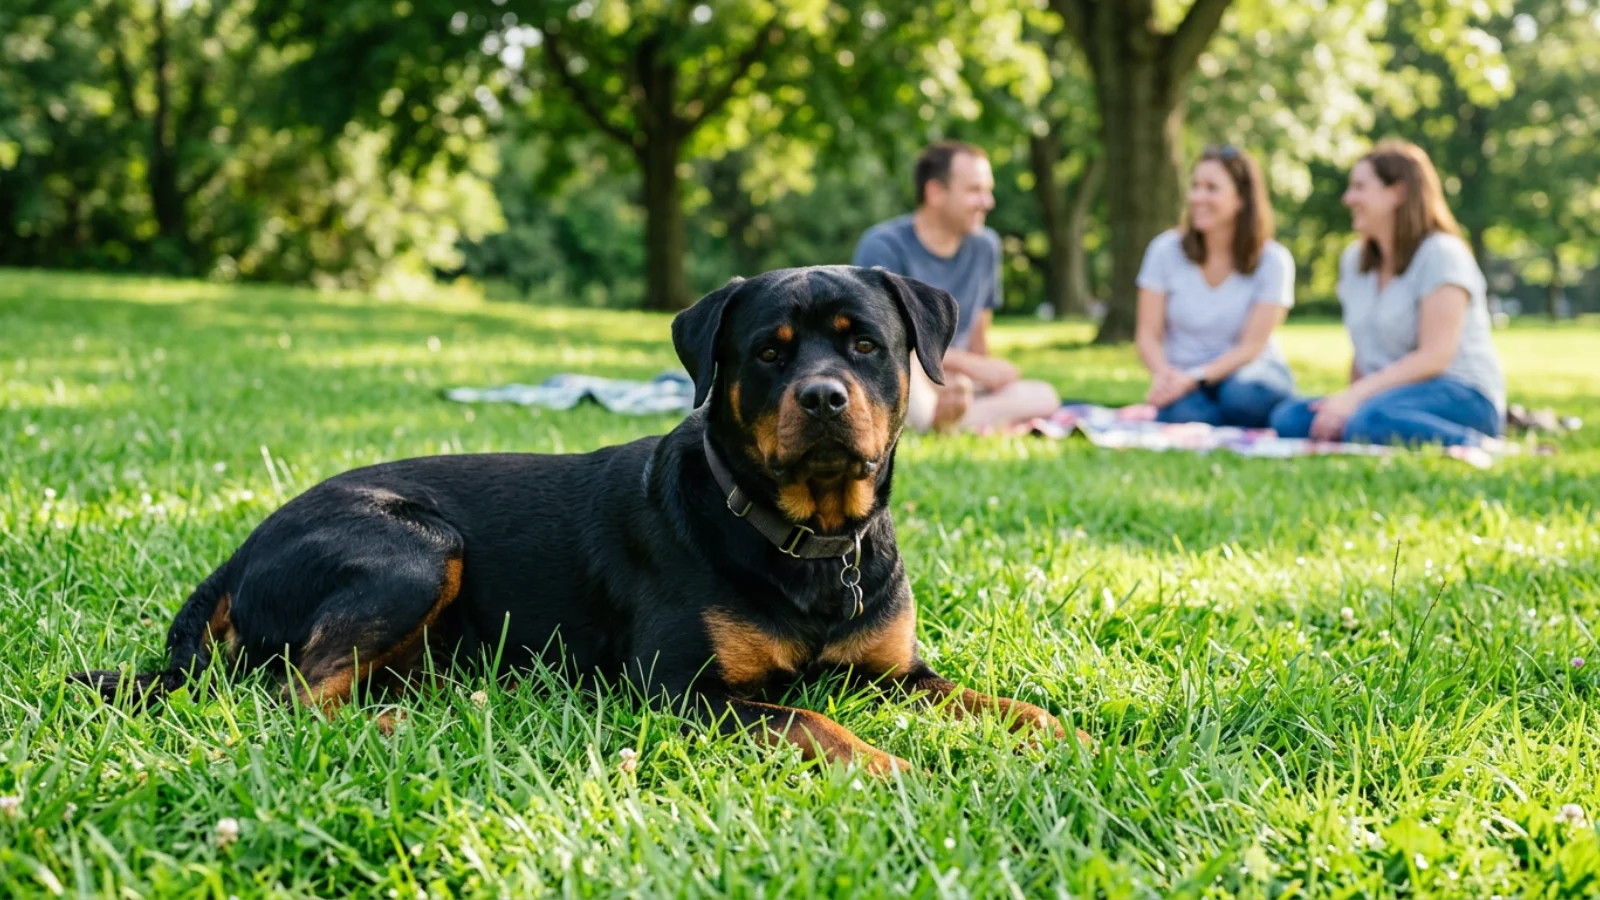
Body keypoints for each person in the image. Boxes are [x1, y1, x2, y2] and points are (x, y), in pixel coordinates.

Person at [1269, 141, 1506, 448]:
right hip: (1384, 397)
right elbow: (1364, 352)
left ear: (1398, 192)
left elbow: (1435, 357)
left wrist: (1355, 398)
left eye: (1360, 187)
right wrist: (1343, 404)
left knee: (1369, 421)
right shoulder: (1354, 261)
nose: (1348, 199)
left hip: (1461, 394)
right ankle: (1368, 422)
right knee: (1289, 417)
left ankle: (1481, 445)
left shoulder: (1441, 253)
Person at [852, 140, 1059, 432]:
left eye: (987, 190)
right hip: (909, 373)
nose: (988, 202)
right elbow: (883, 341)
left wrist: (984, 375)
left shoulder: (986, 246)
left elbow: (978, 337)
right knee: (904, 375)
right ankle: (945, 419)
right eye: (975, 190)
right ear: (935, 192)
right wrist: (971, 366)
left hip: (956, 381)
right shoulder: (883, 246)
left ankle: (948, 420)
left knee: (1044, 395)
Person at [1135, 144, 1296, 427]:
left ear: (1241, 199)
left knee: (1244, 397)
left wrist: (1196, 377)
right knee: (1186, 415)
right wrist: (1165, 379)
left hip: (1248, 373)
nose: (1198, 197)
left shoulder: (1273, 260)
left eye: (1212, 188)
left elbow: (1251, 347)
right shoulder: (1164, 251)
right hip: (1182, 377)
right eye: (1195, 186)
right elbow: (1148, 334)